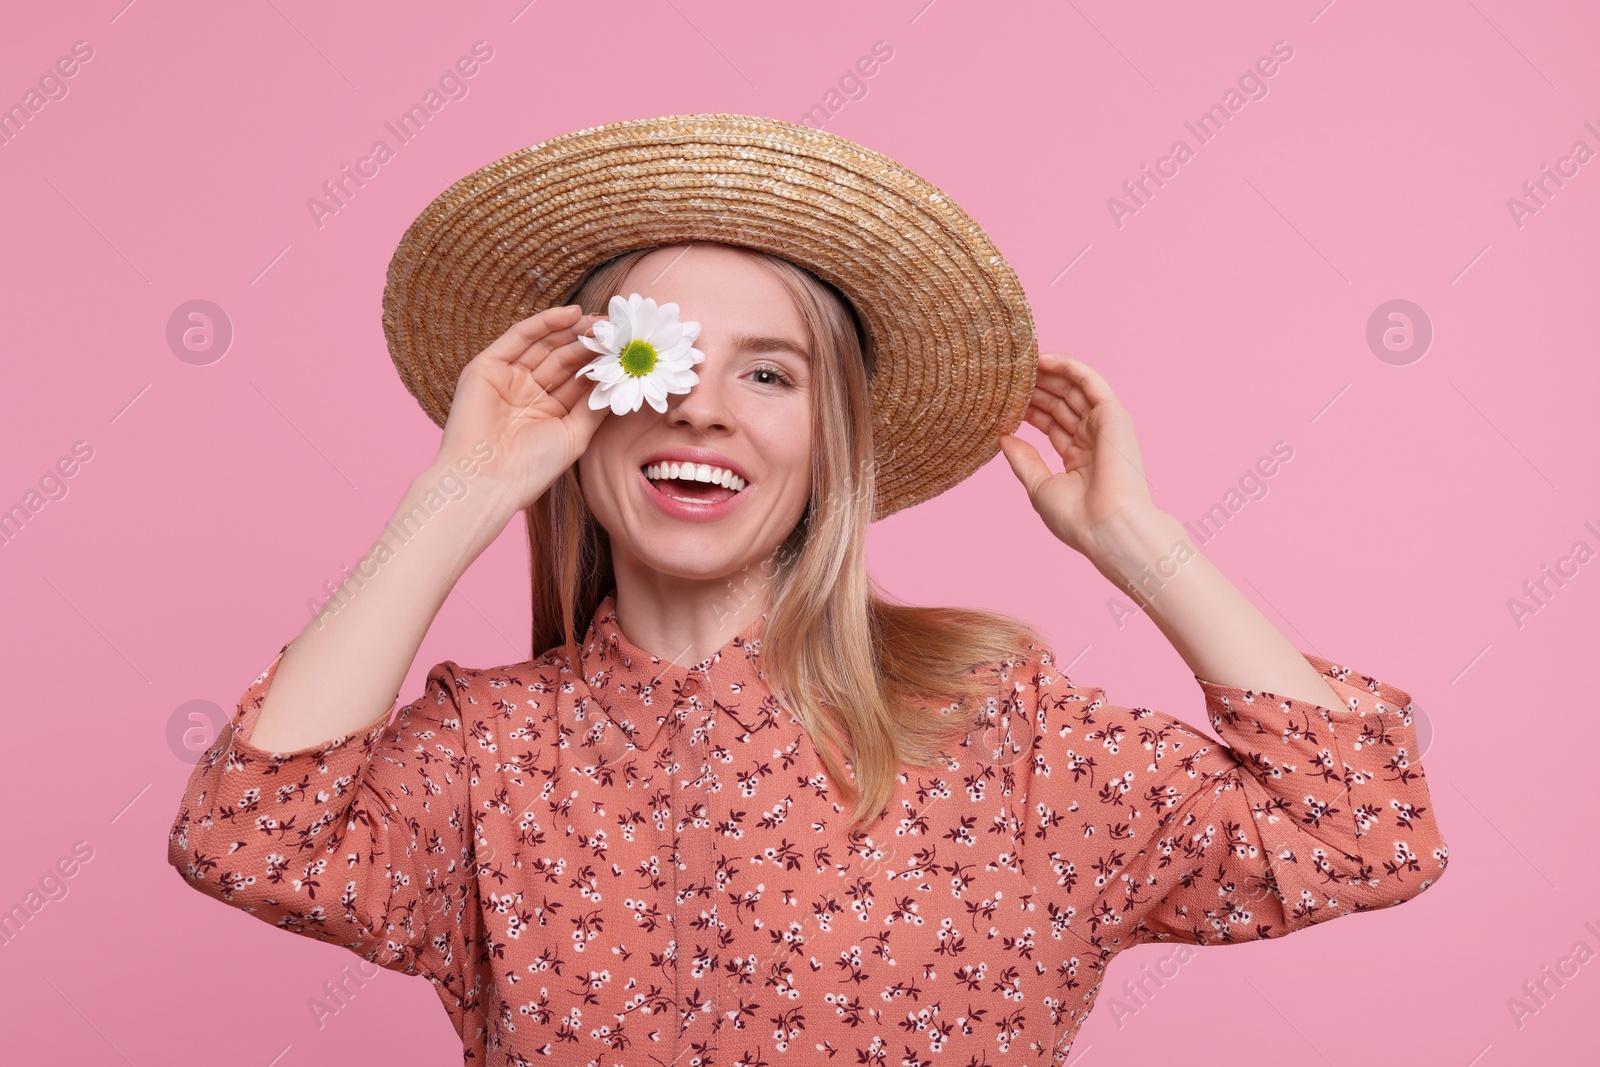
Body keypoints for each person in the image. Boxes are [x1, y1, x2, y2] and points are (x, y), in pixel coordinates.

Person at [167, 114, 1446, 1063]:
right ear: (582, 412)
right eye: (653, 357)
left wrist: (1140, 540)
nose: (704, 408)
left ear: (836, 440)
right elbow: (249, 837)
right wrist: (458, 495)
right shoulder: (487, 753)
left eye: (770, 375)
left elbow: (1359, 827)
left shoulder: (1007, 735)